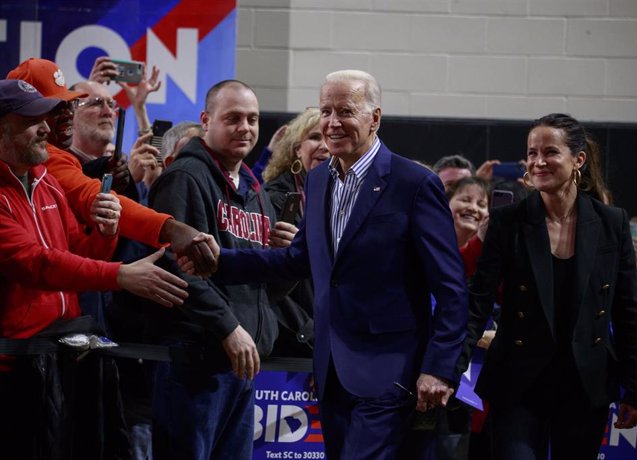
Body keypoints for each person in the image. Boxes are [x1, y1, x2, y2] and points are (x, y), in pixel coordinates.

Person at [186, 70, 469, 459]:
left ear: (375, 118)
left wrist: (439, 368)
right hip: (331, 372)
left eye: (345, 111)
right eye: (325, 111)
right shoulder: (318, 180)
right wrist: (219, 262)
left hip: (392, 375)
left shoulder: (414, 183)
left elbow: (452, 289)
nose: (333, 123)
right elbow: (298, 258)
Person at [0, 78, 190, 458]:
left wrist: (105, 232)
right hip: (13, 370)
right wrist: (121, 275)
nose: (46, 128)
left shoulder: (45, 182)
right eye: (34, 120)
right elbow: (35, 263)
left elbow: (79, 250)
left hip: (58, 359)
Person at [460, 113, 637, 460]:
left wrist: (634, 389)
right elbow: (478, 302)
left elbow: (627, 311)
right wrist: (448, 370)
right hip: (517, 381)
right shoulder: (508, 221)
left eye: (550, 152)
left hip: (584, 382)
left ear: (578, 160)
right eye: (532, 153)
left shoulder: (612, 222)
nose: (537, 162)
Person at [147, 79, 297, 459]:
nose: (244, 127)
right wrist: (228, 327)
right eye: (232, 118)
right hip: (197, 363)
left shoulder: (254, 189)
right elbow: (175, 266)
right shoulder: (185, 177)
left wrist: (287, 261)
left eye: (252, 119)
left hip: (242, 363)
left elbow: (261, 288)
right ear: (206, 120)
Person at [7, 57, 217, 277]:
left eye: (69, 104)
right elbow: (42, 260)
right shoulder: (47, 162)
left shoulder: (49, 175)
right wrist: (170, 229)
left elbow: (84, 252)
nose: (68, 113)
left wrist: (106, 232)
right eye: (52, 107)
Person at [261, 107, 329, 356]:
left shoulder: (347, 200)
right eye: (314, 137)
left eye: (329, 138)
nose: (323, 145)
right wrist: (312, 336)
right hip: (290, 342)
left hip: (328, 343)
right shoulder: (273, 200)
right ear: (297, 150)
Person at [447, 176, 490, 250]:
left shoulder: (491, 251)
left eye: (481, 205)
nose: (473, 208)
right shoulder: (427, 240)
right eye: (465, 200)